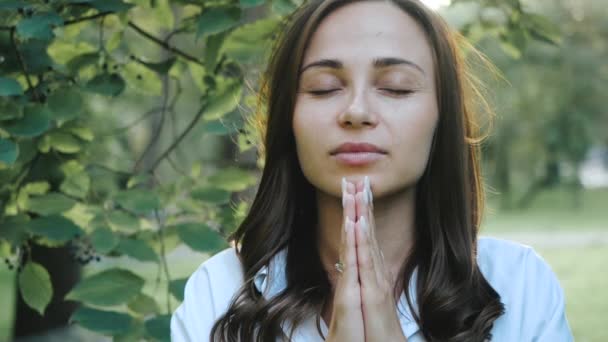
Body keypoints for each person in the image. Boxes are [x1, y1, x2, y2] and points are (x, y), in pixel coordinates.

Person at [171, 0, 574, 341]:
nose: (357, 112)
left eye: (396, 87)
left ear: (441, 118)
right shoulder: (221, 291)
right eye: (324, 88)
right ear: (287, 120)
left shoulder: (520, 286)